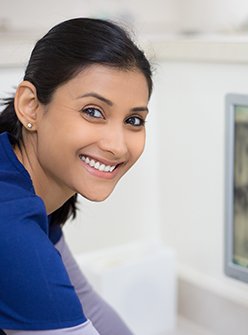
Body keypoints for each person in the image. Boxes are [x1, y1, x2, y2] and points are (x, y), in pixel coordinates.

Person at [0, 17, 153, 335]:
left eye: (134, 120)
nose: (116, 145)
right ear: (30, 107)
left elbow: (89, 306)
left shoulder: (27, 186)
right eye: (93, 111)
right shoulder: (10, 224)